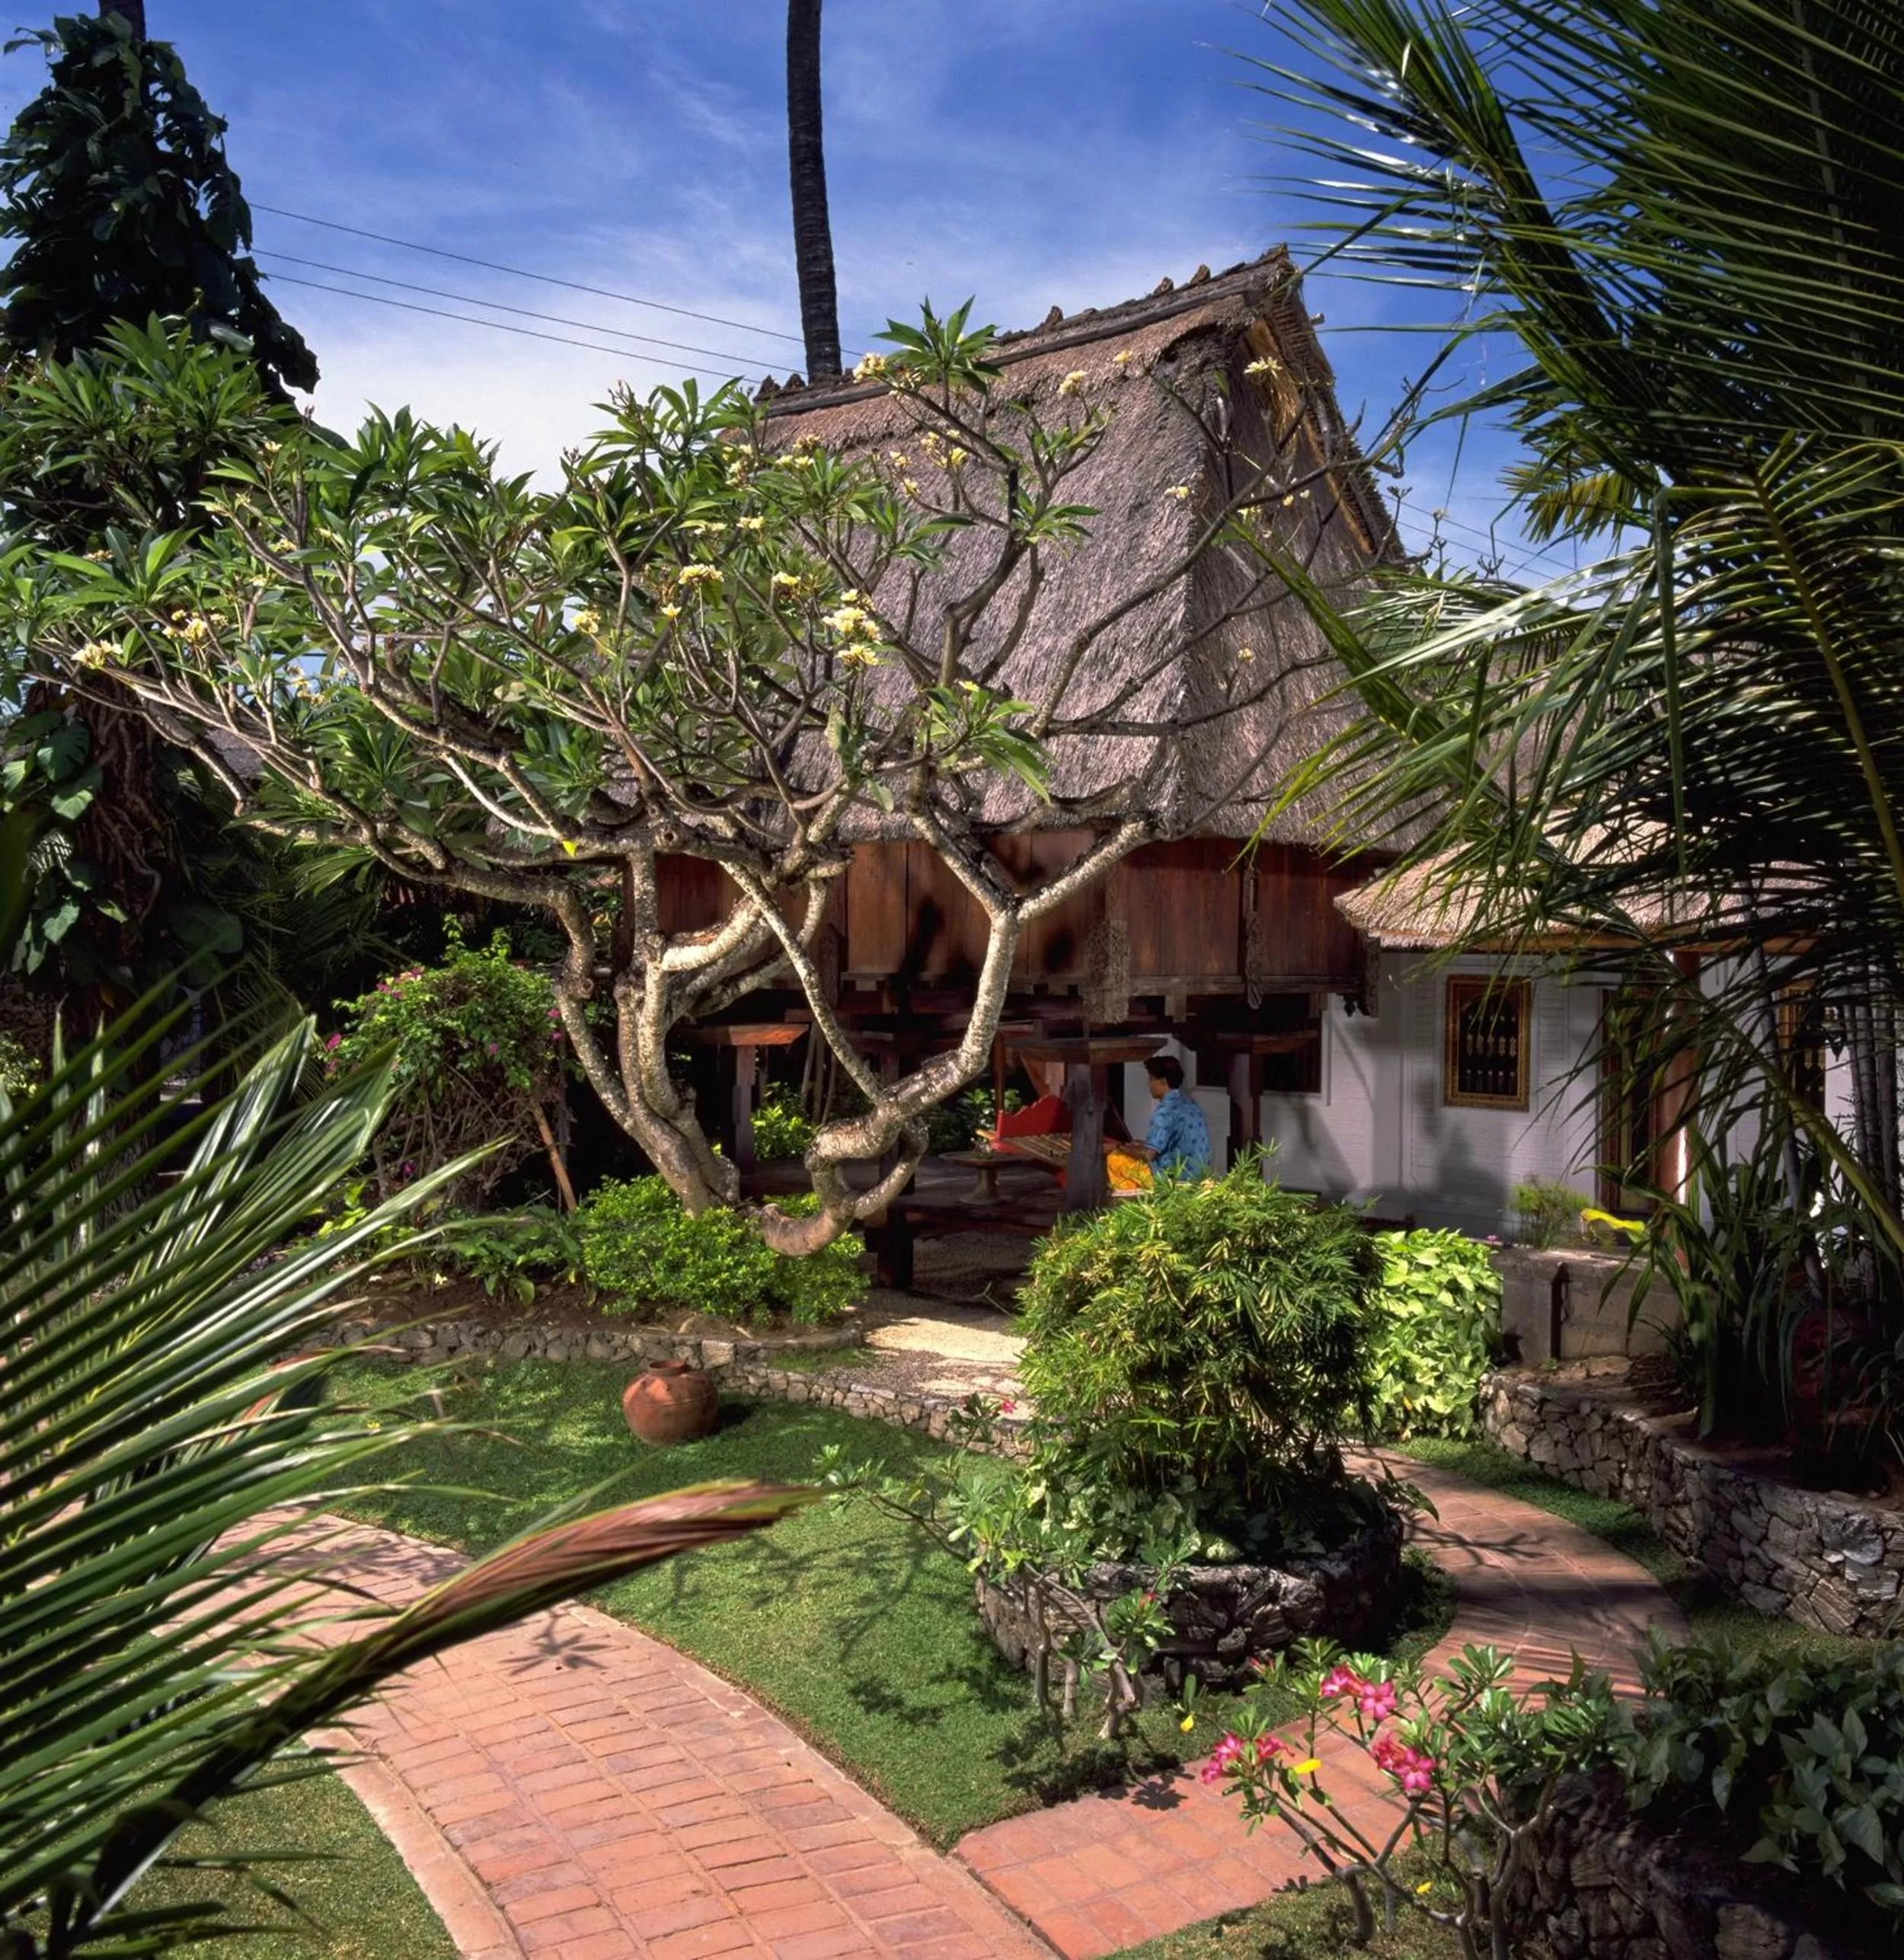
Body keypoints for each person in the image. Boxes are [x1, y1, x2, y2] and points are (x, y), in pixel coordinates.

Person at [1136, 1055, 1210, 1180]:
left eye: (1151, 1079)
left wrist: (1118, 1148)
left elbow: (1149, 1155)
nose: (1148, 1084)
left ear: (1163, 1081)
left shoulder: (1166, 1111)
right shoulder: (1193, 1106)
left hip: (1176, 1182)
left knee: (1118, 1161)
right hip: (1200, 1179)